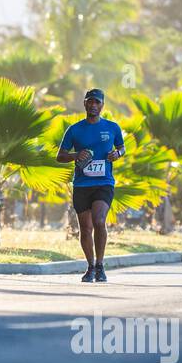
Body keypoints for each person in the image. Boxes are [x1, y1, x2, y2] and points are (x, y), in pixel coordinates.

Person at [56, 88, 125, 282]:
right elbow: (60, 156)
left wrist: (117, 154)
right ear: (85, 104)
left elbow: (121, 147)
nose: (93, 105)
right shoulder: (75, 129)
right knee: (85, 228)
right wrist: (75, 155)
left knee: (99, 220)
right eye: (90, 102)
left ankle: (101, 265)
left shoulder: (112, 128)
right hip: (81, 184)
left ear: (102, 105)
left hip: (104, 183)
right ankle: (91, 267)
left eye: (97, 102)